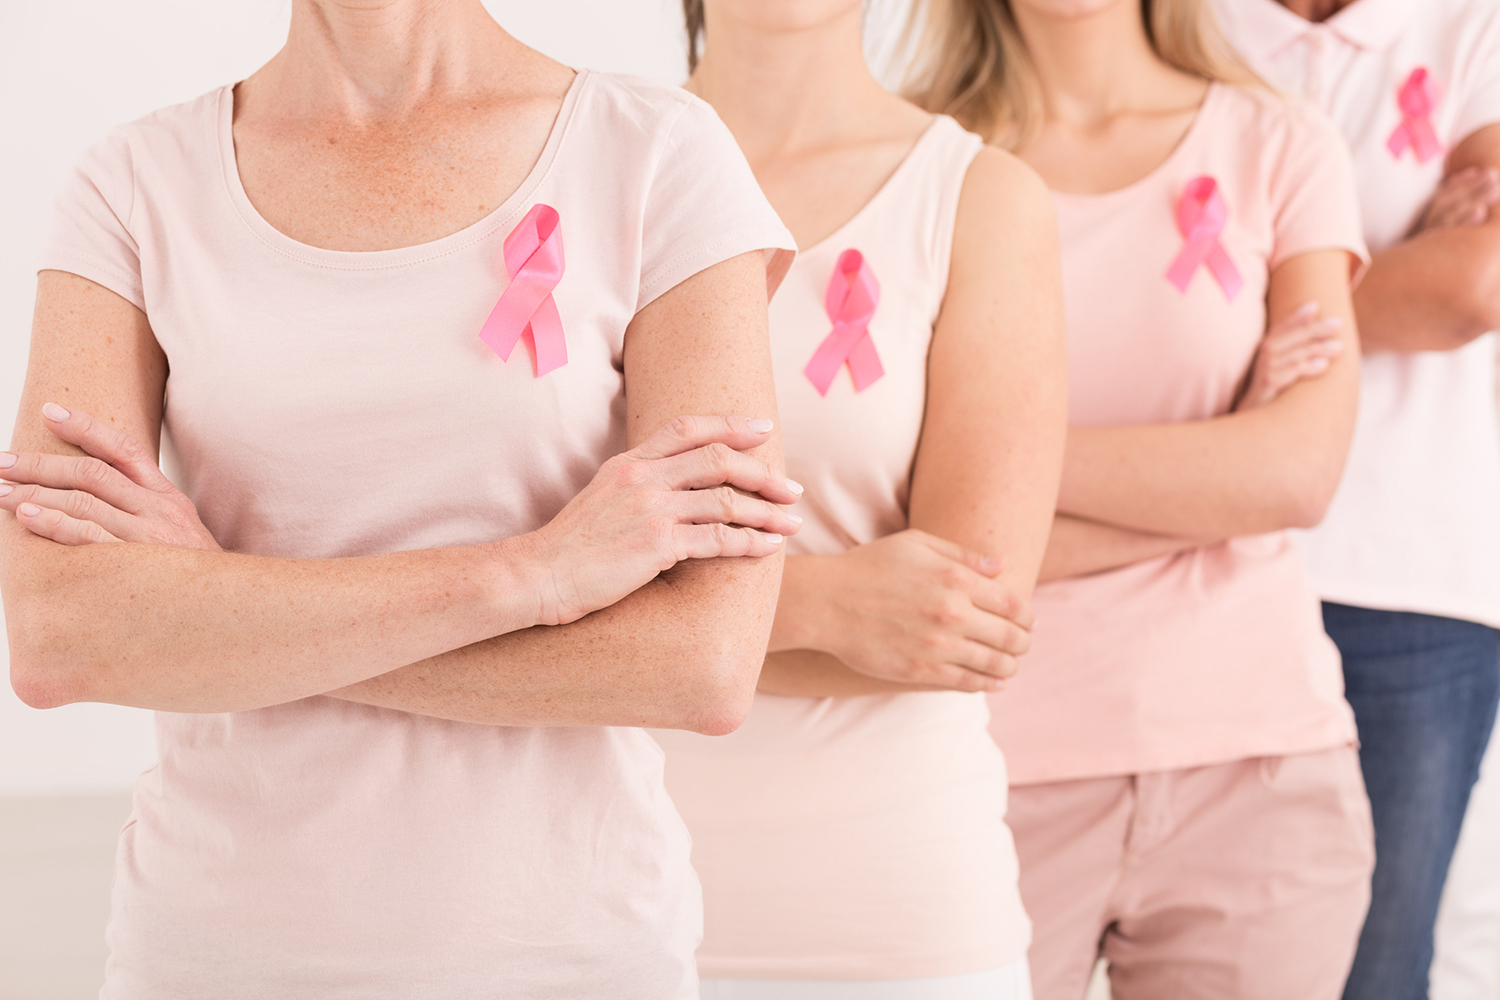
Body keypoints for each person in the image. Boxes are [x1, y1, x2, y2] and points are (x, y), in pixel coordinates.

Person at [0, 0, 804, 995]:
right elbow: (61, 636)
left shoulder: (658, 155)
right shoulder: (132, 183)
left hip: (568, 959)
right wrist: (530, 575)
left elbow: (702, 664)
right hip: (213, 959)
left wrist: (225, 609)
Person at [907, 0, 1374, 996]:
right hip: (981, 773)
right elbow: (898, 515)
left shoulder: (1279, 143)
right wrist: (1216, 477)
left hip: (1258, 766)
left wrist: (985, 467)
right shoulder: (910, 163)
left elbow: (1296, 474)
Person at [650, 1, 1067, 997]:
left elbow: (957, 626)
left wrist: (636, 613)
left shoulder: (979, 199)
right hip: (604, 911)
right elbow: (509, 566)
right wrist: (826, 605)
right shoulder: (582, 172)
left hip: (901, 924)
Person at [1211, 1, 1500, 996]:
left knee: (1374, 968)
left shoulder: (1474, 26)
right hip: (1197, 561)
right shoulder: (1182, 23)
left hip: (1409, 585)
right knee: (1196, 959)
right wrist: (1394, 260)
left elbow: (1477, 281)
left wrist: (1242, 313)